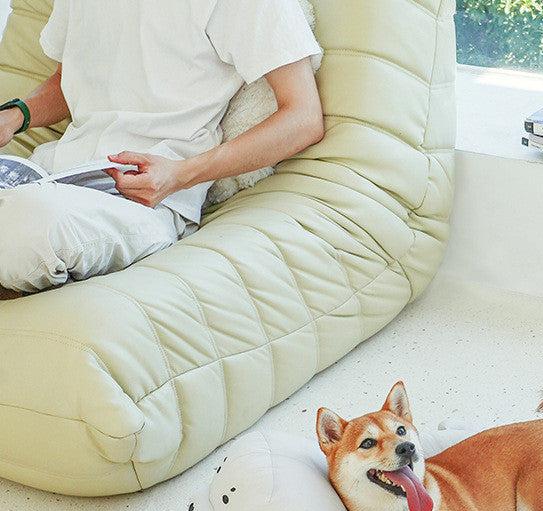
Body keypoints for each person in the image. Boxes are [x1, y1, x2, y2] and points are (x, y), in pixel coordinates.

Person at [0, 0, 323, 296]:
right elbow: (66, 80)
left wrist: (181, 174)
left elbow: (302, 117)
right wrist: (15, 116)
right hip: (50, 174)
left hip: (147, 199)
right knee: (24, 213)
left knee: (30, 223)